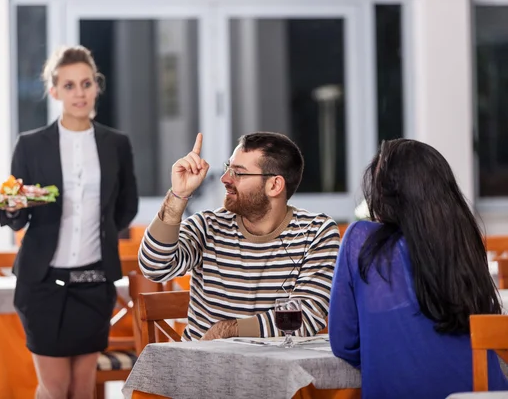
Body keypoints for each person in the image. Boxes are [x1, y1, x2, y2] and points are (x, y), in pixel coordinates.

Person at [0, 45, 138, 399]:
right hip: (42, 282)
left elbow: (127, 206)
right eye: (70, 85)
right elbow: (17, 216)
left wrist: (102, 227)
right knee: (54, 387)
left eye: (86, 83)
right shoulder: (30, 145)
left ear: (97, 86)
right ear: (54, 91)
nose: (80, 93)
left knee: (82, 386)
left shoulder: (116, 144)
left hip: (94, 281)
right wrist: (13, 207)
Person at [329, 139, 508, 398]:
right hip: (483, 391)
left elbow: (344, 343)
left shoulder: (361, 239)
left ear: (386, 193)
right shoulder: (461, 238)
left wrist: (387, 352)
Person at [139, 131, 339, 340]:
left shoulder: (317, 232)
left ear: (274, 185)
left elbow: (305, 316)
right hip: (204, 367)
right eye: (228, 169)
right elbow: (154, 267)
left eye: (239, 173)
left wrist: (227, 331)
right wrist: (179, 195)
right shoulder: (208, 225)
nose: (225, 179)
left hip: (274, 368)